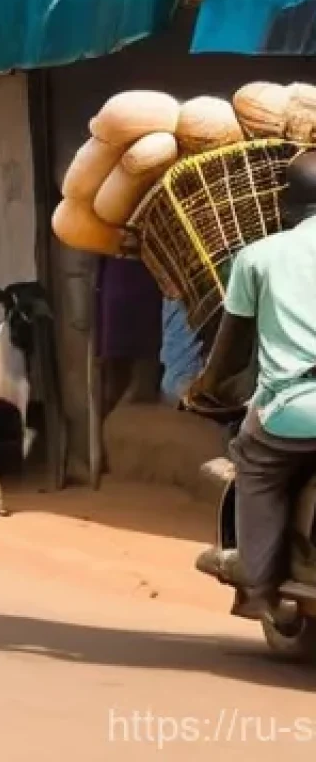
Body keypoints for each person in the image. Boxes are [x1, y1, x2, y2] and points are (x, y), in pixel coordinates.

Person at [190, 150, 316, 626]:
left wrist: (205, 387)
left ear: (286, 206)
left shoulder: (257, 257)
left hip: (293, 408)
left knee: (256, 462)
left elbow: (230, 351)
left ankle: (260, 586)